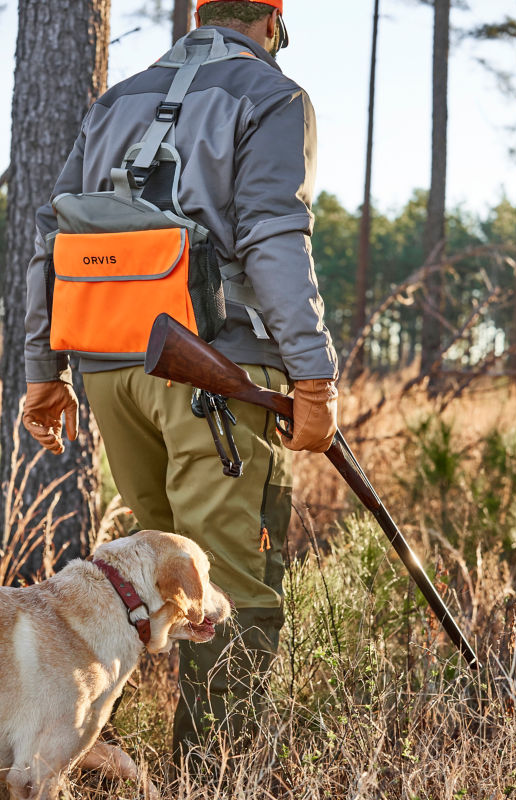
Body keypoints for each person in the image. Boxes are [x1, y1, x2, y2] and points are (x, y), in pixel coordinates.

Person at [23, 0, 338, 761]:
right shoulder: (273, 95)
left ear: (199, 12)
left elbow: (54, 236)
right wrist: (316, 380)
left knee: (150, 583)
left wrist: (44, 369)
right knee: (223, 588)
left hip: (107, 372)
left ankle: (77, 746)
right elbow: (272, 234)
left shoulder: (118, 98)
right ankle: (216, 772)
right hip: (215, 377)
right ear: (273, 19)